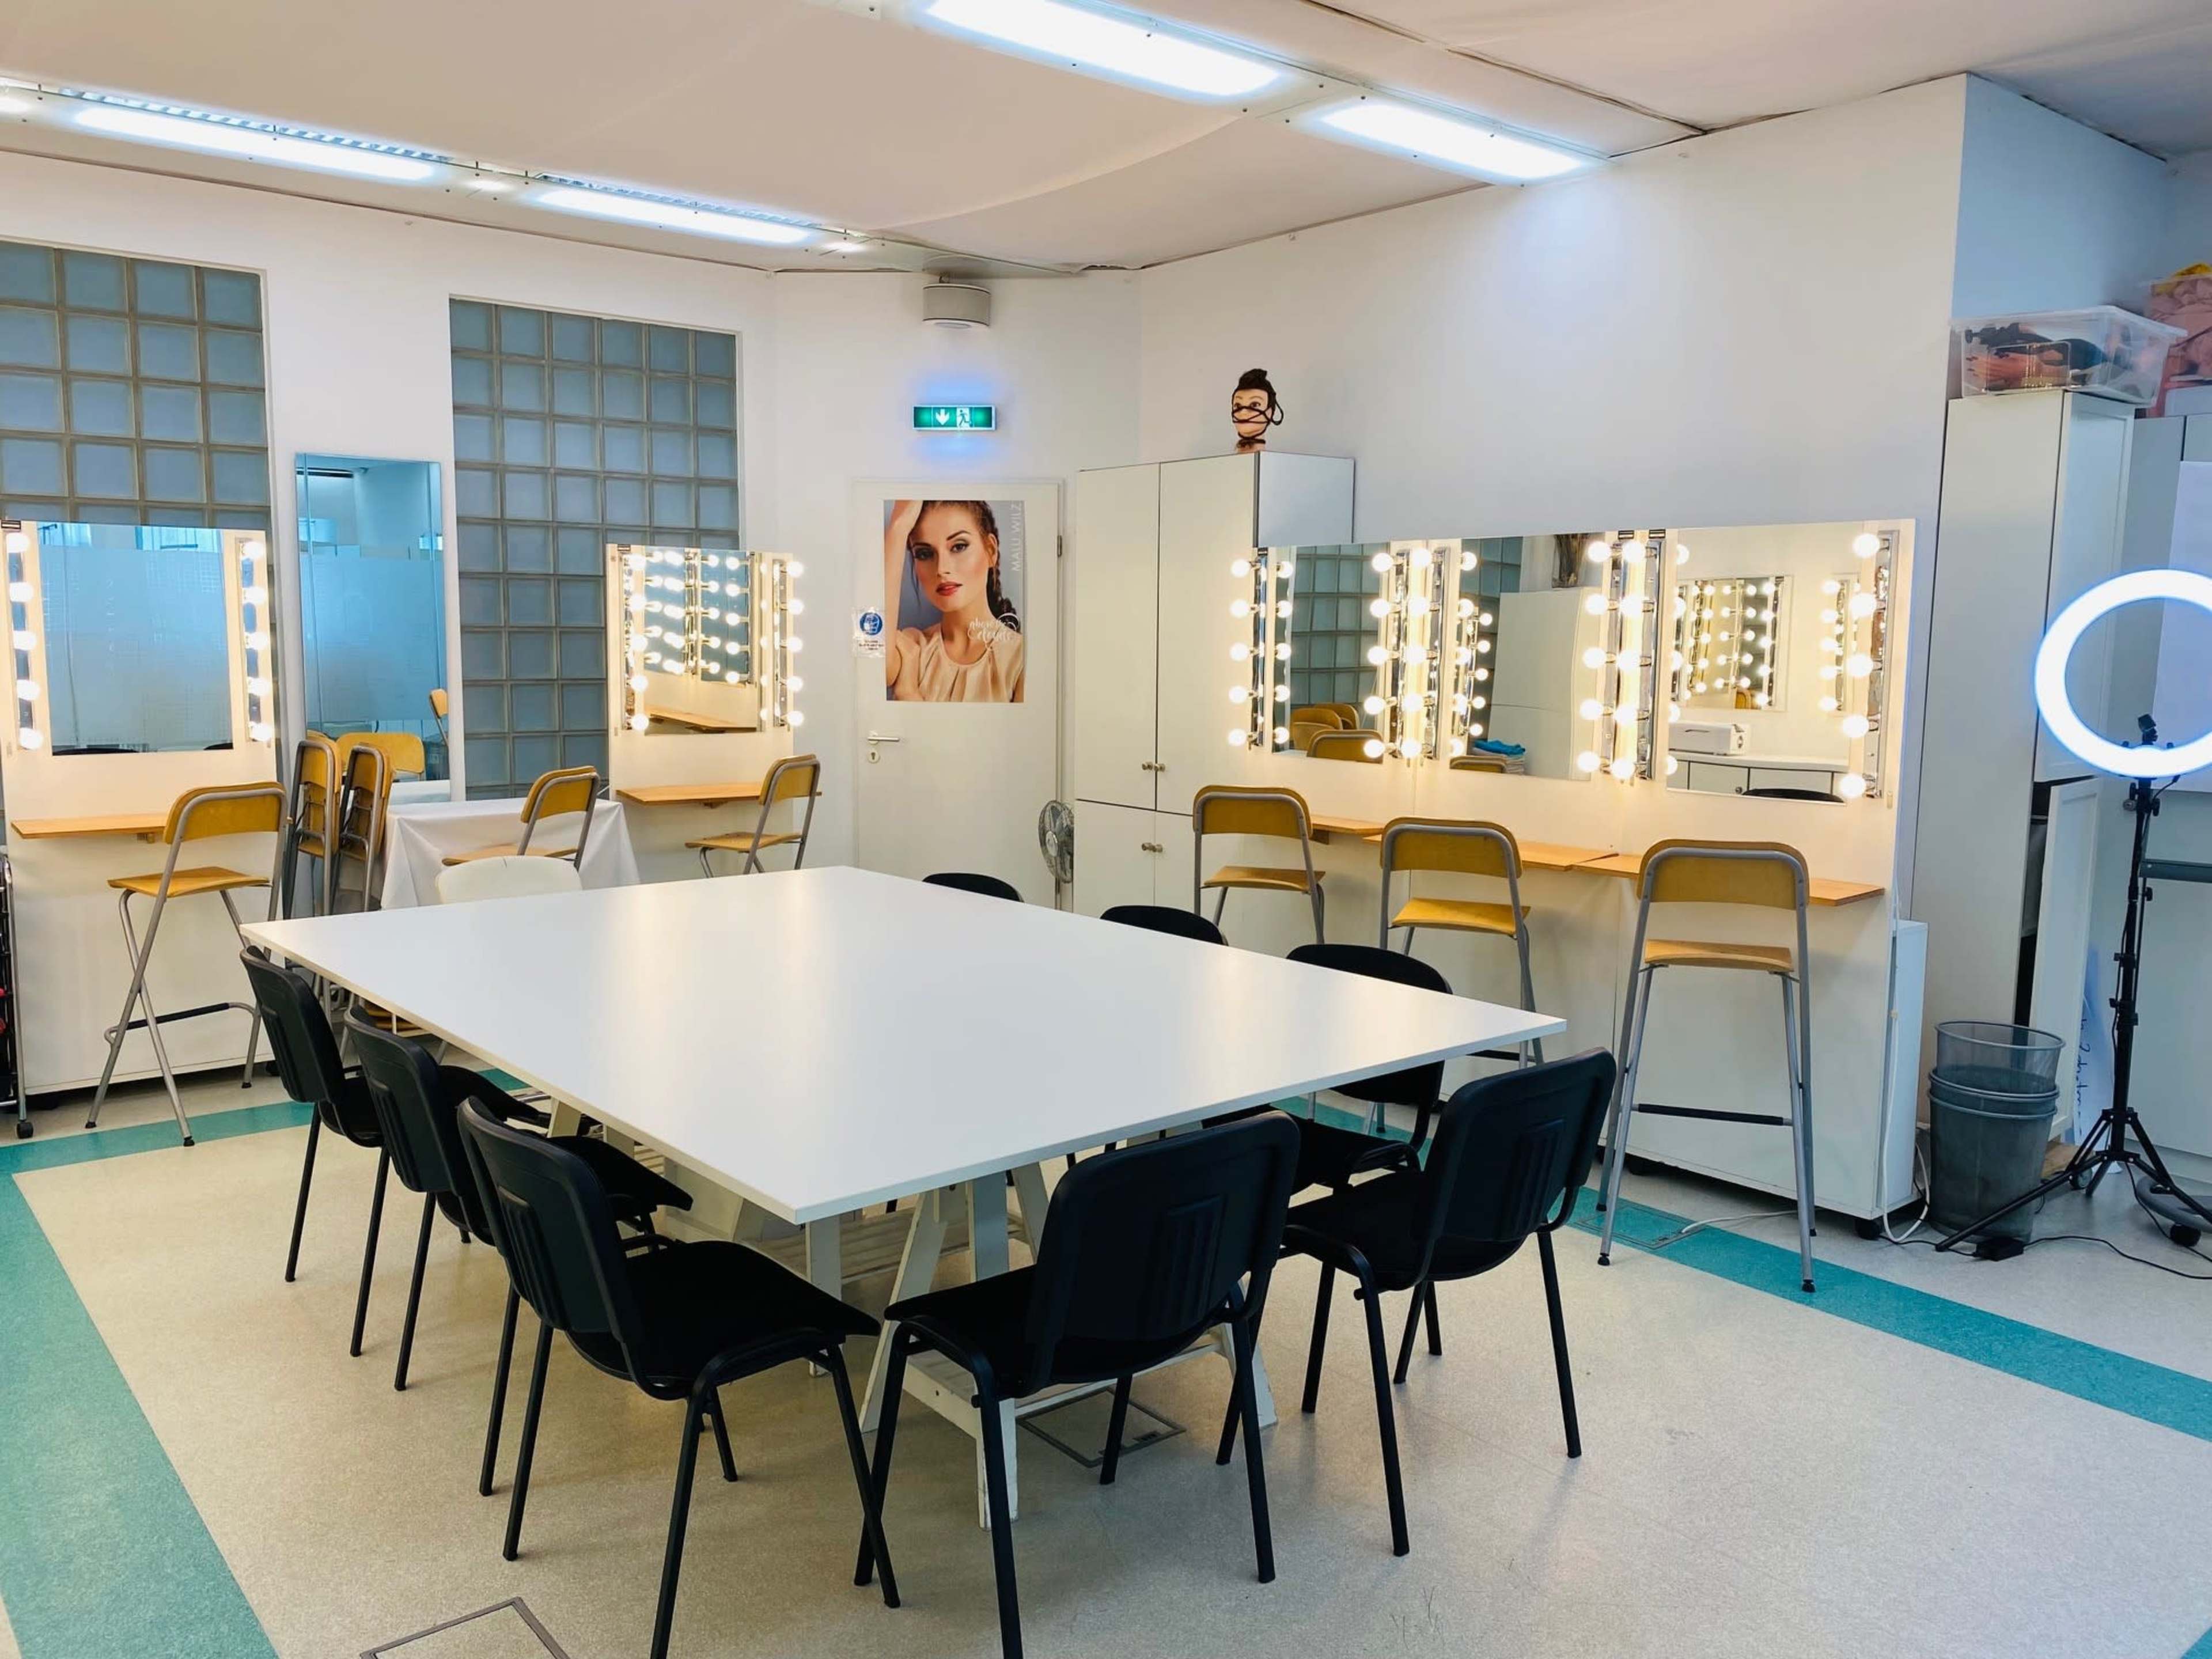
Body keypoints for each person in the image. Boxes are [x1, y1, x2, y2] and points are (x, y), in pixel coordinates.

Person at [882, 498, 1025, 702]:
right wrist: (898, 528)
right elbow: (873, 662)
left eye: (959, 547)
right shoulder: (911, 648)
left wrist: (908, 692)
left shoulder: (1022, 660)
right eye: (924, 553)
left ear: (991, 551)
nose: (942, 569)